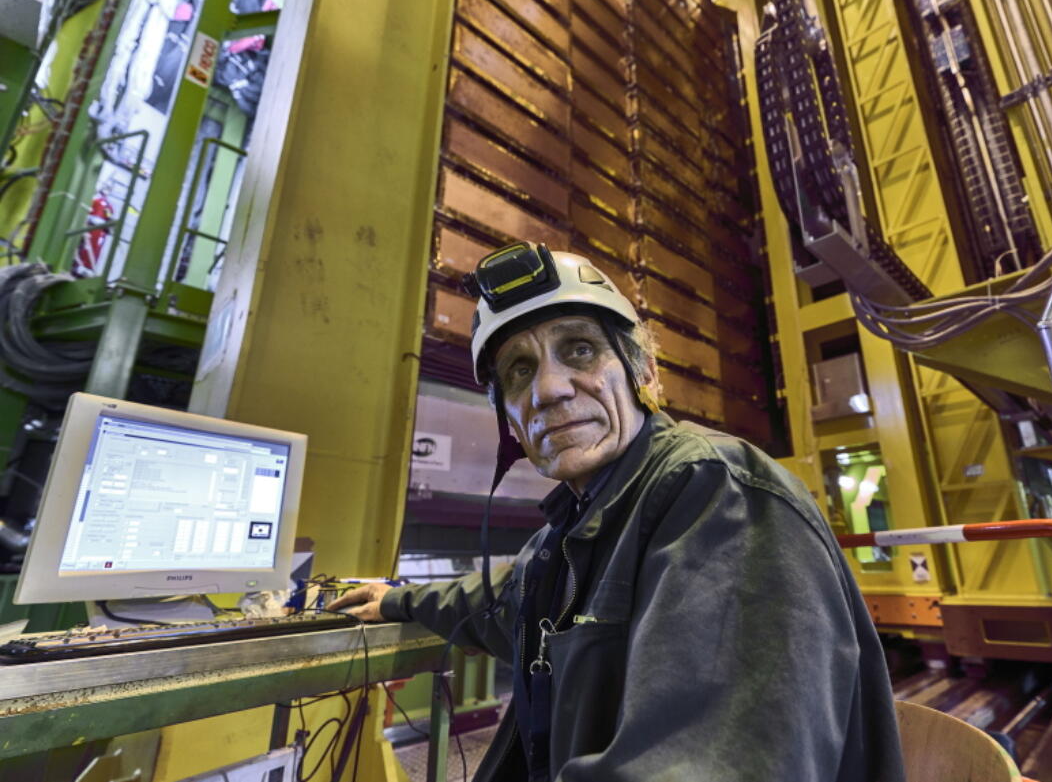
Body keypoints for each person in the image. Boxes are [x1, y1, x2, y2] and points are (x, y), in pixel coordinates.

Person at [328, 242, 904, 781]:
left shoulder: (717, 495)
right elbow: (503, 606)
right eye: (519, 371)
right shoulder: (576, 528)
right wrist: (395, 598)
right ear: (510, 421)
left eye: (579, 349)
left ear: (644, 373)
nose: (549, 390)